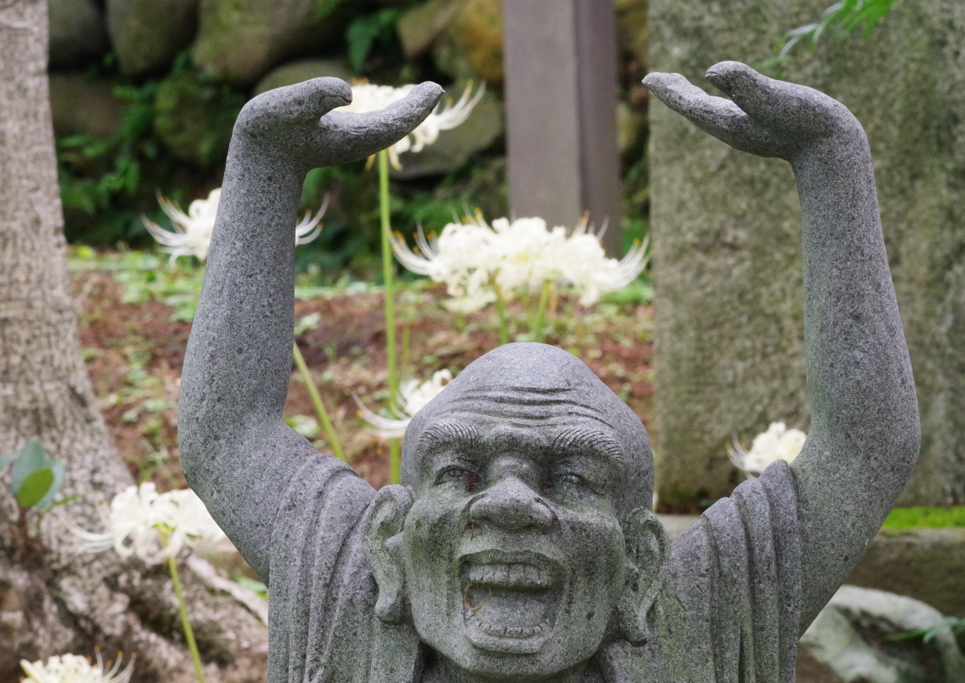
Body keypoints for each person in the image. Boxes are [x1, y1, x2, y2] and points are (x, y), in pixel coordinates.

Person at [180, 62, 919, 682]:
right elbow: (228, 432)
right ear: (390, 544)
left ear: (638, 565)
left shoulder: (693, 622)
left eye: (571, 476)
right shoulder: (356, 600)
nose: (509, 502)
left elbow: (865, 448)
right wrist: (263, 167)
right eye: (461, 472)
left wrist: (833, 158)